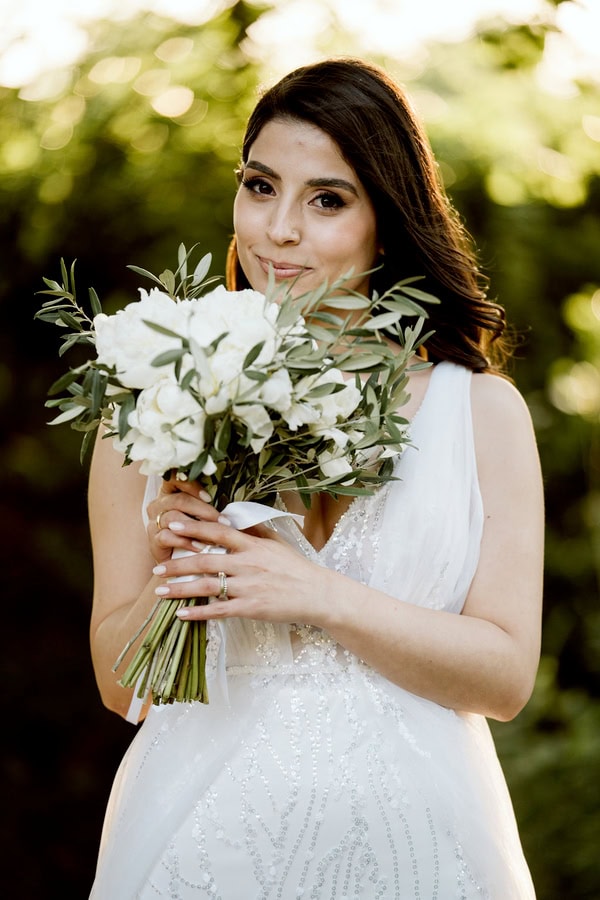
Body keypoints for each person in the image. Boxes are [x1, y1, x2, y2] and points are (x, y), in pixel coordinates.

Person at [88, 58, 544, 898]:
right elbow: (123, 686)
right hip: (200, 841)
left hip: (423, 843)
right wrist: (185, 561)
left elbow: (506, 677)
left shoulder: (478, 413)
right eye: (260, 187)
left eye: (327, 199)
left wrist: (316, 592)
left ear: (386, 220)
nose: (279, 230)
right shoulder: (149, 410)